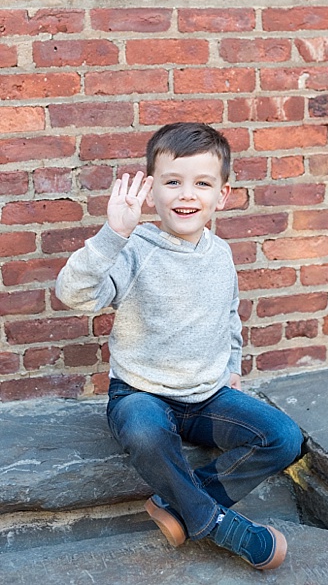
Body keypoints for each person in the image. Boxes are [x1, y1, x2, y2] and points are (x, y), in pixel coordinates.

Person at [56, 122, 304, 570]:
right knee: (144, 431)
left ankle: (179, 505)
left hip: (207, 398)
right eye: (172, 182)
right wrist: (112, 234)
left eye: (201, 184)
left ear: (222, 196)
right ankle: (216, 524)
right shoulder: (133, 249)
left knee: (283, 438)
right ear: (151, 192)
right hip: (141, 394)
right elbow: (74, 295)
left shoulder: (220, 253)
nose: (186, 195)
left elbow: (229, 314)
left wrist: (232, 365)